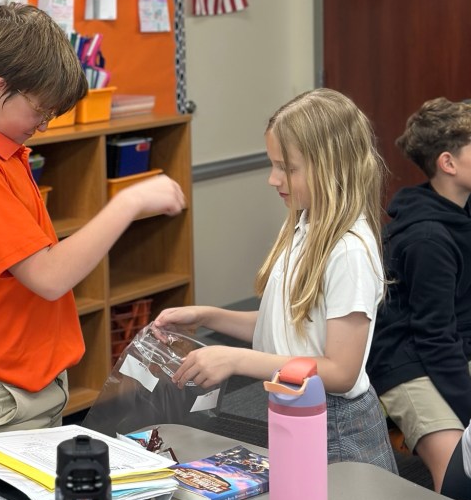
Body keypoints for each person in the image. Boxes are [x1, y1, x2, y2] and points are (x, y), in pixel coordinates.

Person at [0, 2, 186, 436]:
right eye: (40, 111)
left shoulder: (0, 150)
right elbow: (48, 276)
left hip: (25, 380)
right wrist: (127, 202)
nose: (45, 125)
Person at [153, 88, 397, 472]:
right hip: (293, 407)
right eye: (273, 165)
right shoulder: (304, 224)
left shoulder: (348, 250)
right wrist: (208, 316)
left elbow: (340, 371)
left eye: (287, 168)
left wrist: (236, 359)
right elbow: (286, 328)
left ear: (331, 166)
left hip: (336, 426)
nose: (272, 178)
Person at [367, 98, 471, 490]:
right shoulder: (428, 239)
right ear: (448, 163)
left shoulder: (461, 210)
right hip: (409, 360)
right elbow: (433, 339)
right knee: (460, 481)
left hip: (453, 347)